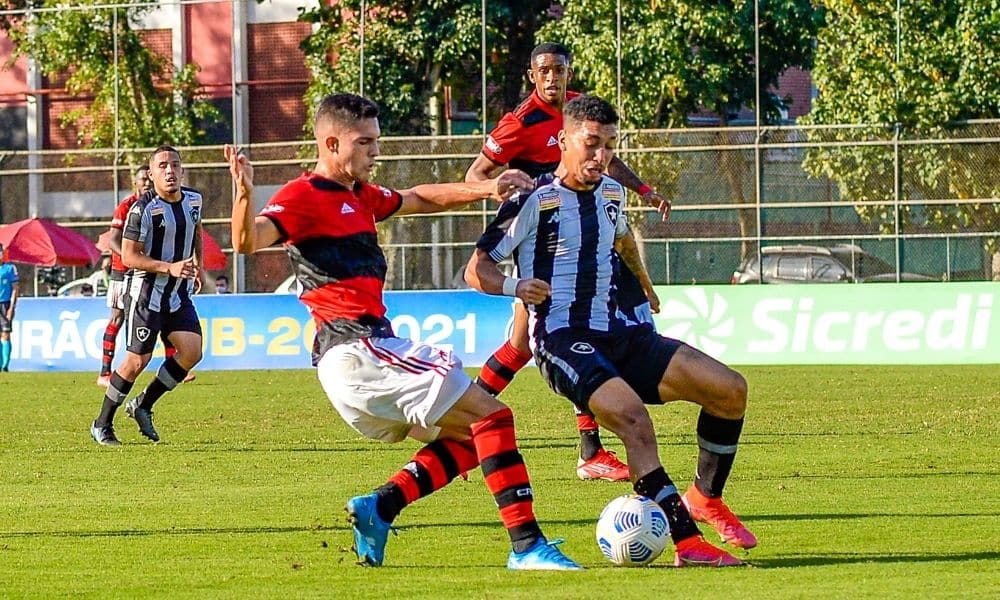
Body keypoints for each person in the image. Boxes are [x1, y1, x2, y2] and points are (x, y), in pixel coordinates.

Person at [225, 92, 581, 571]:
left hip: (361, 356)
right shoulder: (301, 196)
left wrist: (485, 188)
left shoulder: (358, 196)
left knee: (474, 438)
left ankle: (381, 507)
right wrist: (245, 192)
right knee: (494, 419)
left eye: (377, 141)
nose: (376, 152)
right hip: (359, 350)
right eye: (365, 142)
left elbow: (417, 197)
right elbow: (248, 241)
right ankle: (527, 547)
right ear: (332, 143)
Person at [466, 95, 755, 567]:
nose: (600, 156)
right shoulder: (532, 201)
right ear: (563, 140)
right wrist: (517, 286)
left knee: (730, 390)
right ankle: (687, 542)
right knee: (634, 419)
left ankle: (705, 496)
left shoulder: (612, 196)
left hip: (619, 335)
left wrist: (644, 284)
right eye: (592, 144)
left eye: (609, 146)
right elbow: (476, 270)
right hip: (561, 341)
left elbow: (620, 241)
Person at [465, 42, 669, 482]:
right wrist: (503, 187)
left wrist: (645, 191)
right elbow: (474, 176)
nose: (552, 78)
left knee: (540, 342)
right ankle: (468, 422)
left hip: (583, 236)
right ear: (532, 76)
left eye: (559, 70)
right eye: (544, 71)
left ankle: (585, 448)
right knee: (554, 339)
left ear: (568, 72)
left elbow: (607, 163)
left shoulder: (581, 111)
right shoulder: (519, 123)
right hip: (542, 244)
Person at [90, 146, 205, 446]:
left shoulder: (194, 200)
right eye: (163, 166)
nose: (170, 171)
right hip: (145, 293)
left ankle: (142, 405)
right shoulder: (141, 210)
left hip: (177, 293)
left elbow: (196, 231)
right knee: (136, 361)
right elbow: (128, 256)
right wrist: (170, 267)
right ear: (151, 175)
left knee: (192, 351)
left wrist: (199, 266)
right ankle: (102, 423)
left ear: (182, 170)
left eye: (175, 165)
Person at [97, 165, 195, 388]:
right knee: (117, 318)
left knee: (163, 315)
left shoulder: (159, 205)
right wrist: (130, 256)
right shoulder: (127, 206)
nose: (146, 183)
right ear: (135, 182)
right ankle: (104, 371)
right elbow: (113, 240)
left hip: (149, 273)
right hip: (123, 273)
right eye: (142, 179)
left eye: (147, 179)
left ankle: (176, 366)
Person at [0, 243, 18, 372]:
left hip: (5, 304)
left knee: (5, 334)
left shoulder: (9, 268)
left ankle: (5, 365)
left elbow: (15, 289)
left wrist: (11, 307)